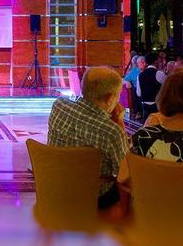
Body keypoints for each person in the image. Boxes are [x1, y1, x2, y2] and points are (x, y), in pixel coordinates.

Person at [47, 67, 128, 210]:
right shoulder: (111, 132)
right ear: (110, 99)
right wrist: (120, 123)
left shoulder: (59, 105)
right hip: (93, 199)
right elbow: (125, 174)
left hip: (56, 189)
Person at [137, 52, 166, 121]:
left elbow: (139, 94)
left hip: (145, 106)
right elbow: (167, 89)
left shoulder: (140, 75)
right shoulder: (159, 73)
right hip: (157, 106)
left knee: (147, 124)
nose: (160, 63)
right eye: (159, 61)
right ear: (156, 61)